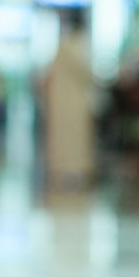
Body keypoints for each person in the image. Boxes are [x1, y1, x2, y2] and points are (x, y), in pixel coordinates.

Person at [42, 10, 96, 190]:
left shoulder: (65, 45)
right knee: (71, 140)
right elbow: (87, 72)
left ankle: (69, 174)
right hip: (72, 103)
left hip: (66, 103)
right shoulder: (75, 45)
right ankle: (70, 174)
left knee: (69, 140)